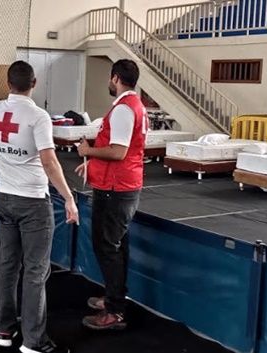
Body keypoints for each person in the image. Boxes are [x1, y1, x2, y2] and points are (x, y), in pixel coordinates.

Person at [0, 61, 79, 353]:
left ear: (8, 82)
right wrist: (68, 197)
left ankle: (5, 331)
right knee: (35, 272)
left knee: (7, 266)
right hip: (32, 202)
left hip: (3, 196)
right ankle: (33, 341)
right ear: (34, 83)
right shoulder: (38, 116)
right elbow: (49, 161)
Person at [75, 59, 148, 331]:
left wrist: (88, 152)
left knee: (107, 247)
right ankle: (114, 297)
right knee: (116, 246)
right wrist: (93, 162)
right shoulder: (132, 106)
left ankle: (115, 310)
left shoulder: (124, 110)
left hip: (116, 189)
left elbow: (118, 151)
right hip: (120, 185)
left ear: (115, 78)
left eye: (109, 78)